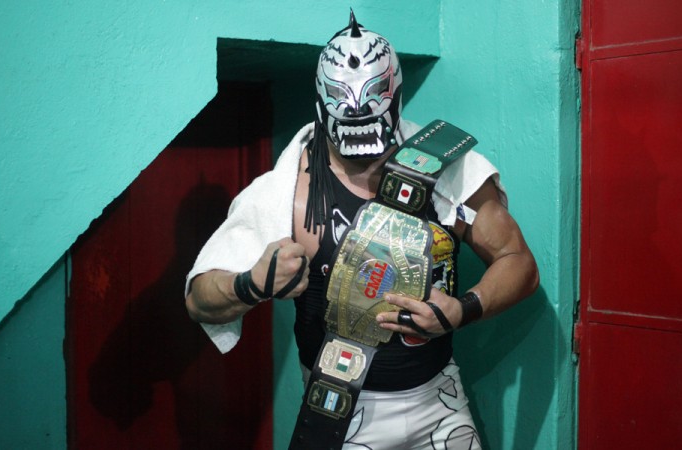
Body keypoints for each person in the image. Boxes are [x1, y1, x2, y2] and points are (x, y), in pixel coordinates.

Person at [185, 11, 538, 450]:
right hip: (340, 415)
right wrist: (250, 284)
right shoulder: (286, 192)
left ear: (394, 100)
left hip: (440, 402)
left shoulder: (447, 168)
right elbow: (199, 301)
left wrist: (464, 309)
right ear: (323, 106)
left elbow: (519, 262)